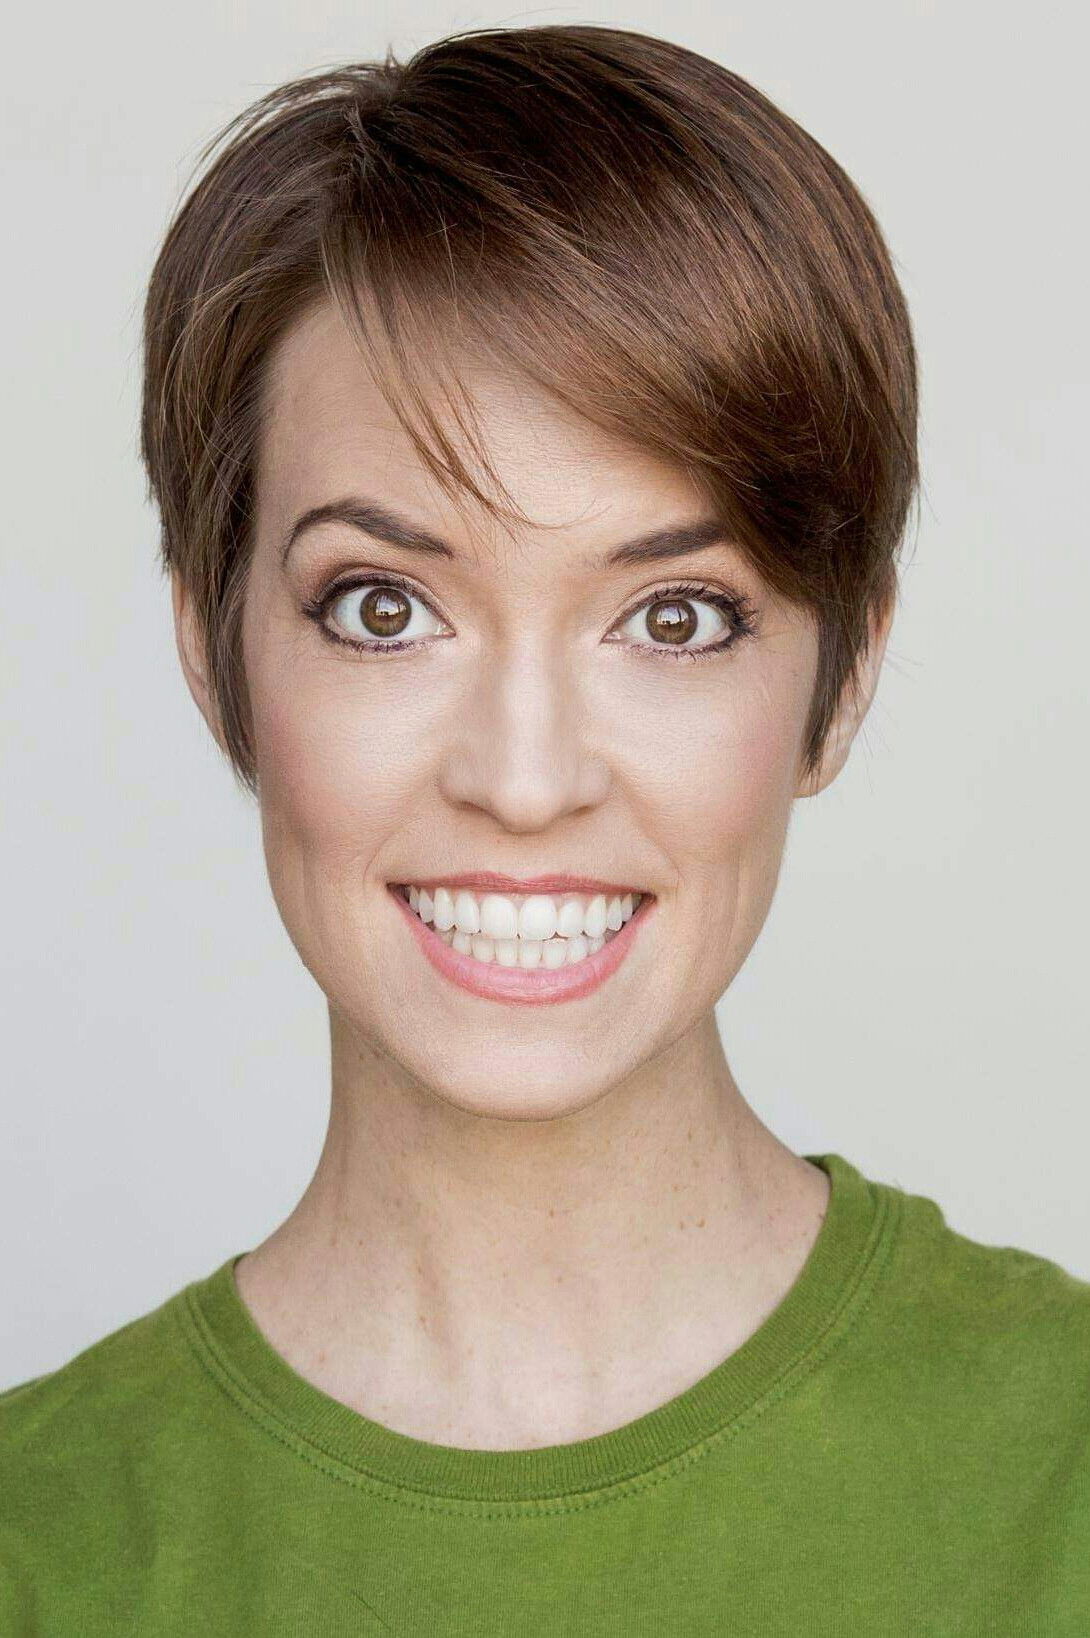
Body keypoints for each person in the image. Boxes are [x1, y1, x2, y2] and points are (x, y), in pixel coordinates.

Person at [2, 22, 1087, 1634]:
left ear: (842, 677)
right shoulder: (39, 1544)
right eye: (383, 607)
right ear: (213, 653)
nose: (523, 779)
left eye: (672, 616)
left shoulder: (1060, 1467)